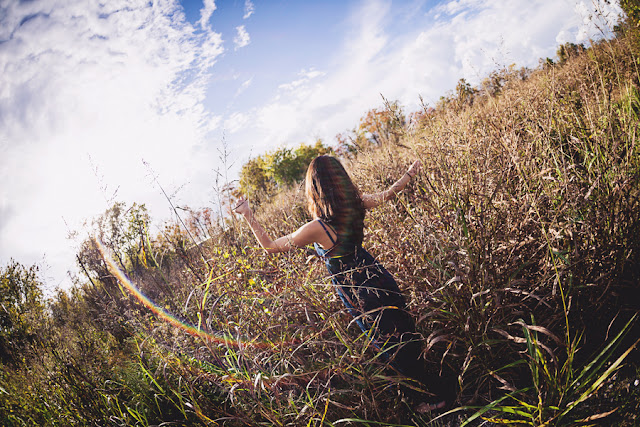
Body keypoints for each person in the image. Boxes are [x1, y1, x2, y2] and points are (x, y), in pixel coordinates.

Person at [233, 155, 448, 412]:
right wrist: (410, 174)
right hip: (378, 276)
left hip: (357, 290)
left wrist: (248, 215)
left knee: (387, 342)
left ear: (315, 189)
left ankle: (420, 399)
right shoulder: (355, 205)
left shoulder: (317, 228)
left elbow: (270, 247)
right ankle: (422, 388)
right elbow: (389, 193)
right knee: (403, 331)